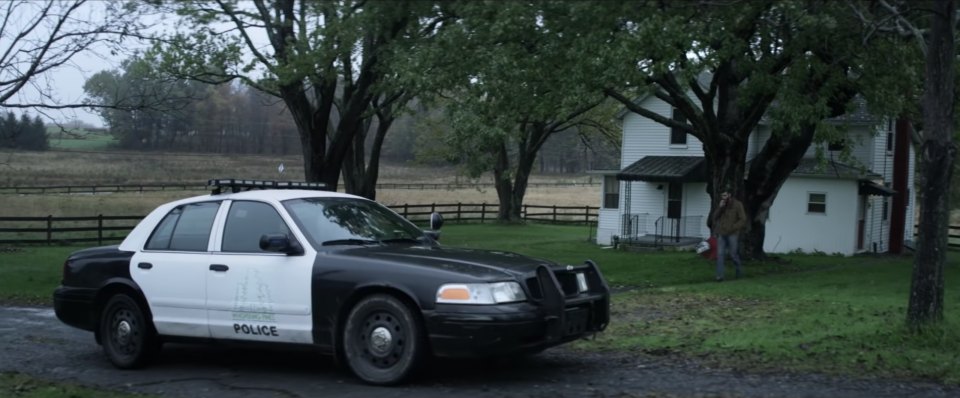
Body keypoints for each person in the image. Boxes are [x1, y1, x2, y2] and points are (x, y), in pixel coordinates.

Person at [710, 189, 746, 281]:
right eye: (722, 196)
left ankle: (739, 270)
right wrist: (720, 208)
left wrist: (733, 227)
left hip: (732, 234)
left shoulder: (738, 205)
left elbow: (742, 219)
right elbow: (714, 217)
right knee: (720, 255)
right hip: (722, 233)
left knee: (733, 254)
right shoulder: (722, 205)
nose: (723, 197)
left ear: (730, 195)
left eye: (725, 195)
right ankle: (720, 276)